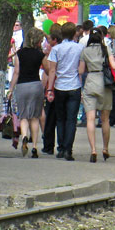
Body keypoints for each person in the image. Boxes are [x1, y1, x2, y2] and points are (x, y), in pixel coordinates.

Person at [45, 21, 85, 160]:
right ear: (75, 33)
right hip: (74, 86)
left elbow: (52, 70)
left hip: (60, 86)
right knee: (71, 119)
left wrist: (50, 88)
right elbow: (81, 69)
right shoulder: (80, 48)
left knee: (60, 119)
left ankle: (60, 148)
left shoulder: (56, 49)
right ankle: (69, 149)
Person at [78, 29, 115, 162]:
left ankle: (93, 150)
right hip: (104, 83)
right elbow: (113, 66)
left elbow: (81, 71)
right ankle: (105, 148)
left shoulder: (85, 51)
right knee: (105, 119)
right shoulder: (105, 49)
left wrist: (80, 88)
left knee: (90, 119)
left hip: (90, 81)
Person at [8, 27, 46, 158]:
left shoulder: (20, 53)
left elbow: (16, 72)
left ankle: (24, 136)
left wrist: (11, 89)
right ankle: (34, 147)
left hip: (22, 86)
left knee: (23, 116)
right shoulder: (40, 55)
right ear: (37, 41)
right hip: (36, 85)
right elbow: (47, 69)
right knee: (34, 117)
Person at [41, 24, 63, 156]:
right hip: (66, 86)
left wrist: (48, 88)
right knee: (61, 118)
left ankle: (48, 145)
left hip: (53, 86)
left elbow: (50, 71)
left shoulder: (52, 52)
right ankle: (63, 146)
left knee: (50, 118)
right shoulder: (67, 48)